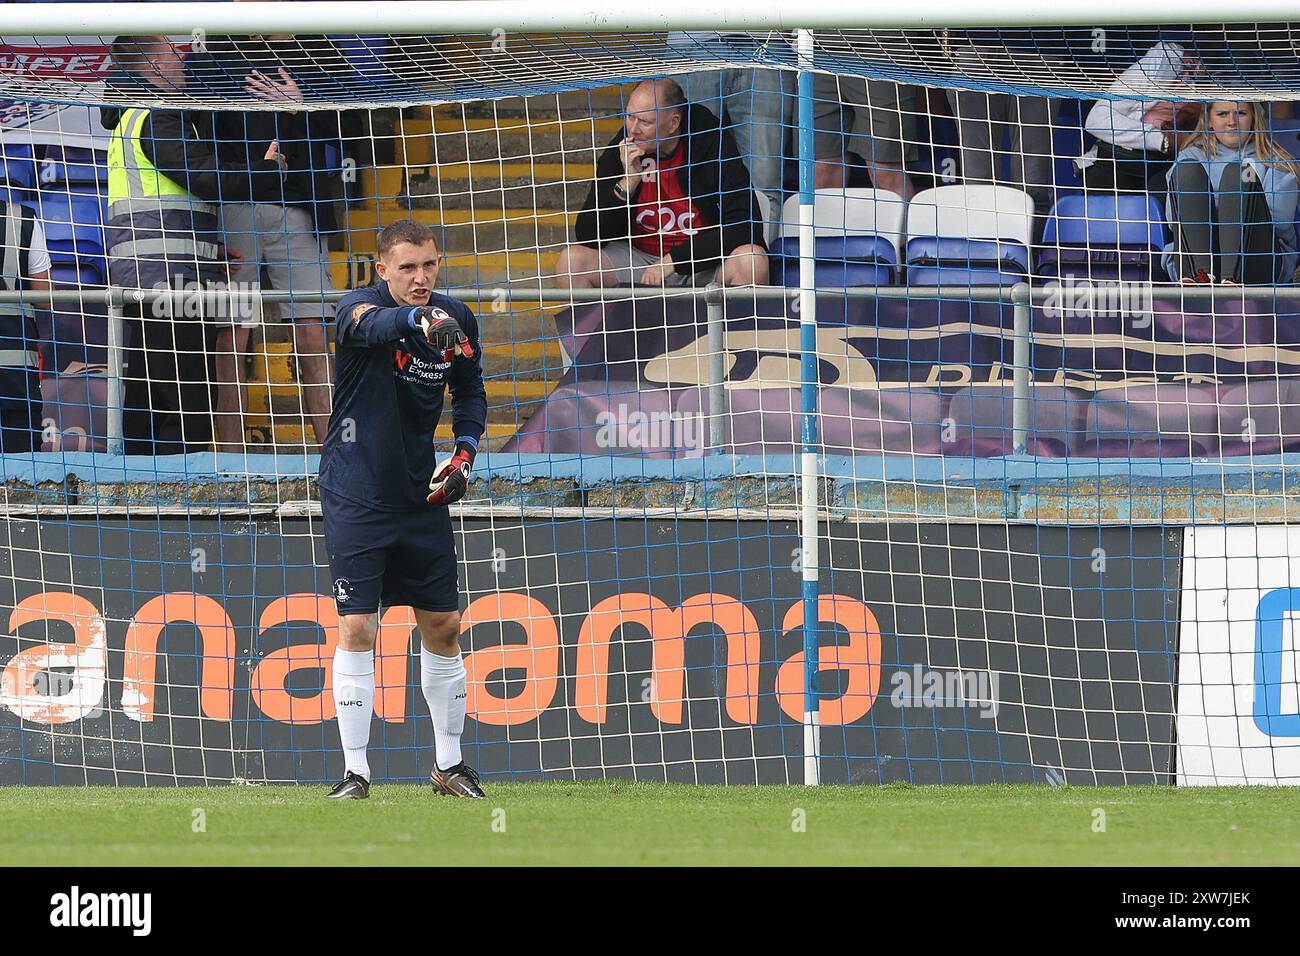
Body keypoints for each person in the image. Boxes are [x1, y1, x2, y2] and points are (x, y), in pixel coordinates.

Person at [318, 219, 487, 800]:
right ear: (383, 268)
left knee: (443, 625)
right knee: (358, 625)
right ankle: (356, 773)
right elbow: (374, 325)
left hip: (422, 494)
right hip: (356, 492)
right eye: (408, 267)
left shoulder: (456, 319)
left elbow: (470, 390)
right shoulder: (357, 310)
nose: (420, 278)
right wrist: (417, 318)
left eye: (429, 267)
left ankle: (449, 766)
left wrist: (464, 453)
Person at [103, 35, 280, 455]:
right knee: (188, 401)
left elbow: (167, 203)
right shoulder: (156, 115)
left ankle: (146, 499)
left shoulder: (132, 118)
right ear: (154, 67)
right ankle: (185, 501)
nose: (182, 62)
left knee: (153, 392)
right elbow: (202, 175)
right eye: (172, 54)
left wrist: (212, 253)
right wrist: (265, 171)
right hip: (167, 281)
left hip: (154, 275)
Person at [184, 28, 354, 451]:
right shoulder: (214, 51)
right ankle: (229, 460)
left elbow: (358, 118)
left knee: (313, 334)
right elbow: (193, 135)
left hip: (297, 209)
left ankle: (335, 459)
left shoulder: (317, 48)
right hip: (234, 206)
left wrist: (302, 107)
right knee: (232, 332)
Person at [555, 77, 769, 288]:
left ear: (673, 123)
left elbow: (746, 225)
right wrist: (628, 182)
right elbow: (587, 234)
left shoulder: (710, 141)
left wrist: (674, 260)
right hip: (638, 259)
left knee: (752, 261)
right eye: (630, 117)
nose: (633, 129)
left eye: (645, 122)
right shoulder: (625, 147)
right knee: (572, 262)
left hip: (701, 262)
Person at [1163, 101, 1300, 285]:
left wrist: (1230, 202)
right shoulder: (1190, 156)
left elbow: (1279, 221)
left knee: (1239, 173)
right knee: (1187, 170)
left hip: (1259, 258)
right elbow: (1174, 219)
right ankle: (1199, 277)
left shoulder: (1275, 161)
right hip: (1198, 255)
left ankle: (1232, 278)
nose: (1231, 122)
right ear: (1209, 120)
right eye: (1222, 114)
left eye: (1241, 113)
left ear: (1253, 119)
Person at [666, 31, 792, 213]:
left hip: (767, 41)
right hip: (692, 38)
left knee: (765, 185)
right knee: (688, 175)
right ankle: (697, 243)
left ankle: (756, 243)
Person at [1078, 41, 1201, 194]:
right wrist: (1163, 140)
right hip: (1121, 162)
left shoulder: (1221, 73)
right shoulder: (1162, 60)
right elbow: (1097, 120)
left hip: (1175, 164)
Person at [812, 76, 922, 199]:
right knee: (822, 169)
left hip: (879, 64)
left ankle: (904, 218)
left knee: (885, 171)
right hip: (817, 62)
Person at [0, 197, 50, 452]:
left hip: (17, 375)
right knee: (21, 474)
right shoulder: (22, 218)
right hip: (16, 378)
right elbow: (44, 296)